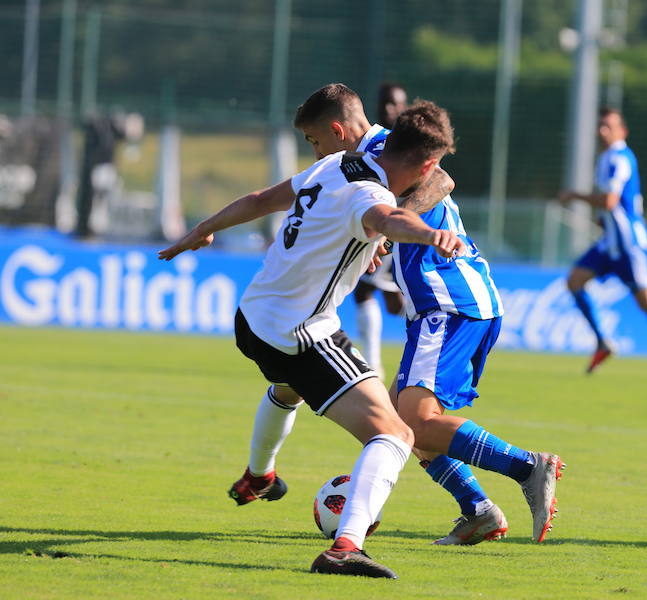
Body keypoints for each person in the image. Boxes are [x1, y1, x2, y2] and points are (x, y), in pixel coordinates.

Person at [158, 102, 463, 578]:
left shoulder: (335, 164)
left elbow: (260, 199)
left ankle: (260, 475)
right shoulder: (367, 192)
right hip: (298, 332)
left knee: (288, 388)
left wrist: (203, 229)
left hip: (253, 317)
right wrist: (429, 234)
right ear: (426, 165)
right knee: (395, 433)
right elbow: (389, 220)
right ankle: (345, 547)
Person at [297, 83, 565, 545]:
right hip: (443, 304)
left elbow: (442, 180)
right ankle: (478, 510)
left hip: (447, 299)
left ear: (337, 130)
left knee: (415, 422)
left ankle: (527, 466)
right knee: (398, 425)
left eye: (316, 141)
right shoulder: (363, 162)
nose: (317, 151)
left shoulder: (382, 147)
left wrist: (389, 227)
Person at [557, 108, 647, 379]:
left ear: (623, 131)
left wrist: (575, 195)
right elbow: (615, 205)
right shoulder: (607, 158)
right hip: (610, 243)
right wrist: (603, 221)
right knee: (574, 280)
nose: (602, 130)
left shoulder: (620, 158)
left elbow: (610, 200)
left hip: (629, 245)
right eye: (600, 125)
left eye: (608, 126)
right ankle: (603, 341)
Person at [352, 82, 409, 378]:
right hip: (382, 226)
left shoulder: (407, 144)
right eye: (386, 102)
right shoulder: (371, 142)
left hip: (396, 229)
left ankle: (372, 362)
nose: (390, 109)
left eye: (396, 104)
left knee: (364, 290)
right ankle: (448, 317)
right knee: (390, 300)